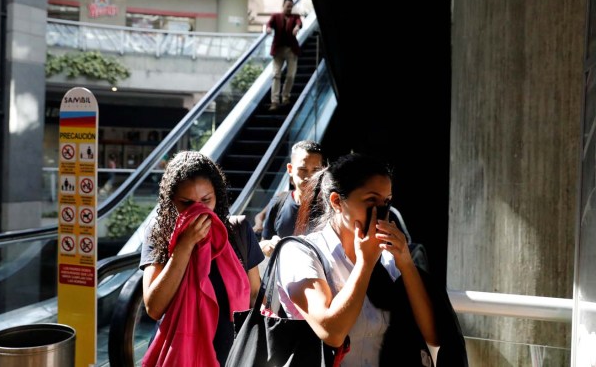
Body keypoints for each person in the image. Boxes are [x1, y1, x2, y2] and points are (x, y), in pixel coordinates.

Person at [275, 153, 468, 366]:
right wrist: (365, 264)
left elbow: (433, 335)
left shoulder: (387, 259)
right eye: (371, 200)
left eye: (386, 201)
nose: (382, 211)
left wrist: (406, 263)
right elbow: (331, 331)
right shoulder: (300, 253)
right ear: (337, 202)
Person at [139, 151, 265, 366]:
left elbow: (255, 295)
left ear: (218, 196)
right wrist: (185, 245)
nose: (198, 210)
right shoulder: (159, 232)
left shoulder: (238, 232)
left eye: (206, 200)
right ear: (171, 202)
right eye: (187, 203)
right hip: (179, 354)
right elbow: (154, 307)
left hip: (232, 354)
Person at [258, 140, 324, 257]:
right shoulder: (278, 202)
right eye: (303, 170)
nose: (309, 177)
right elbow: (264, 243)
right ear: (290, 169)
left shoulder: (329, 207)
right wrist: (268, 245)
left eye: (315, 170)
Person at [266, 0, 303, 111]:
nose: (289, 8)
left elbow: (299, 23)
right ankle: (274, 101)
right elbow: (269, 24)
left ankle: (285, 96)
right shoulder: (276, 16)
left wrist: (296, 27)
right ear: (283, 6)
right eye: (288, 6)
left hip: (291, 50)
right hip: (278, 50)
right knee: (276, 75)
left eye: (291, 6)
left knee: (291, 75)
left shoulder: (295, 17)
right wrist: (268, 29)